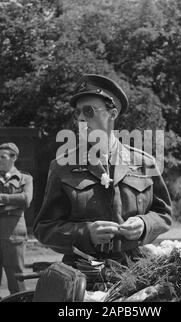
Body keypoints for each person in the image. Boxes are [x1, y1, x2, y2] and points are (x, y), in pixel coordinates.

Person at [33, 74, 172, 268]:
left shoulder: (143, 162)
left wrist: (144, 224)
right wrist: (86, 232)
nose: (81, 118)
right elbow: (44, 228)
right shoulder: (62, 166)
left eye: (88, 111)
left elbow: (163, 213)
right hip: (83, 272)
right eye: (77, 113)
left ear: (112, 114)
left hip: (136, 270)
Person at [0, 143, 33, 302]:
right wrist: (11, 207)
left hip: (14, 234)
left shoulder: (25, 178)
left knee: (16, 279)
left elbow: (26, 200)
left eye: (3, 157)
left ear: (13, 158)